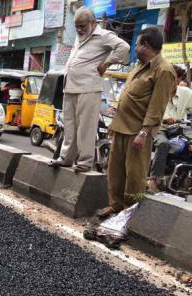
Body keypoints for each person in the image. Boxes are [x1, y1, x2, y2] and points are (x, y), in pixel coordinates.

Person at [97, 27, 176, 219]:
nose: (135, 48)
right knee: (115, 172)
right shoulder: (139, 65)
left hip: (138, 131)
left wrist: (144, 132)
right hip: (121, 126)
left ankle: (129, 214)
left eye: (138, 44)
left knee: (134, 176)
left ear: (145, 45)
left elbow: (157, 106)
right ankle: (115, 206)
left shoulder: (164, 71)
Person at [48, 7, 129, 173]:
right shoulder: (81, 37)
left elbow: (124, 47)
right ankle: (66, 158)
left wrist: (107, 63)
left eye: (82, 26)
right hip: (70, 87)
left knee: (86, 126)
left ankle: (85, 162)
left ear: (93, 23)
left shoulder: (103, 35)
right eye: (77, 26)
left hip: (89, 87)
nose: (79, 29)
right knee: (69, 125)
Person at [149, 65, 192, 181]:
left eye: (173, 78)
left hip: (178, 129)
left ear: (178, 79)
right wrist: (164, 119)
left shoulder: (186, 93)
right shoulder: (155, 92)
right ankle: (155, 179)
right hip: (158, 128)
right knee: (163, 144)